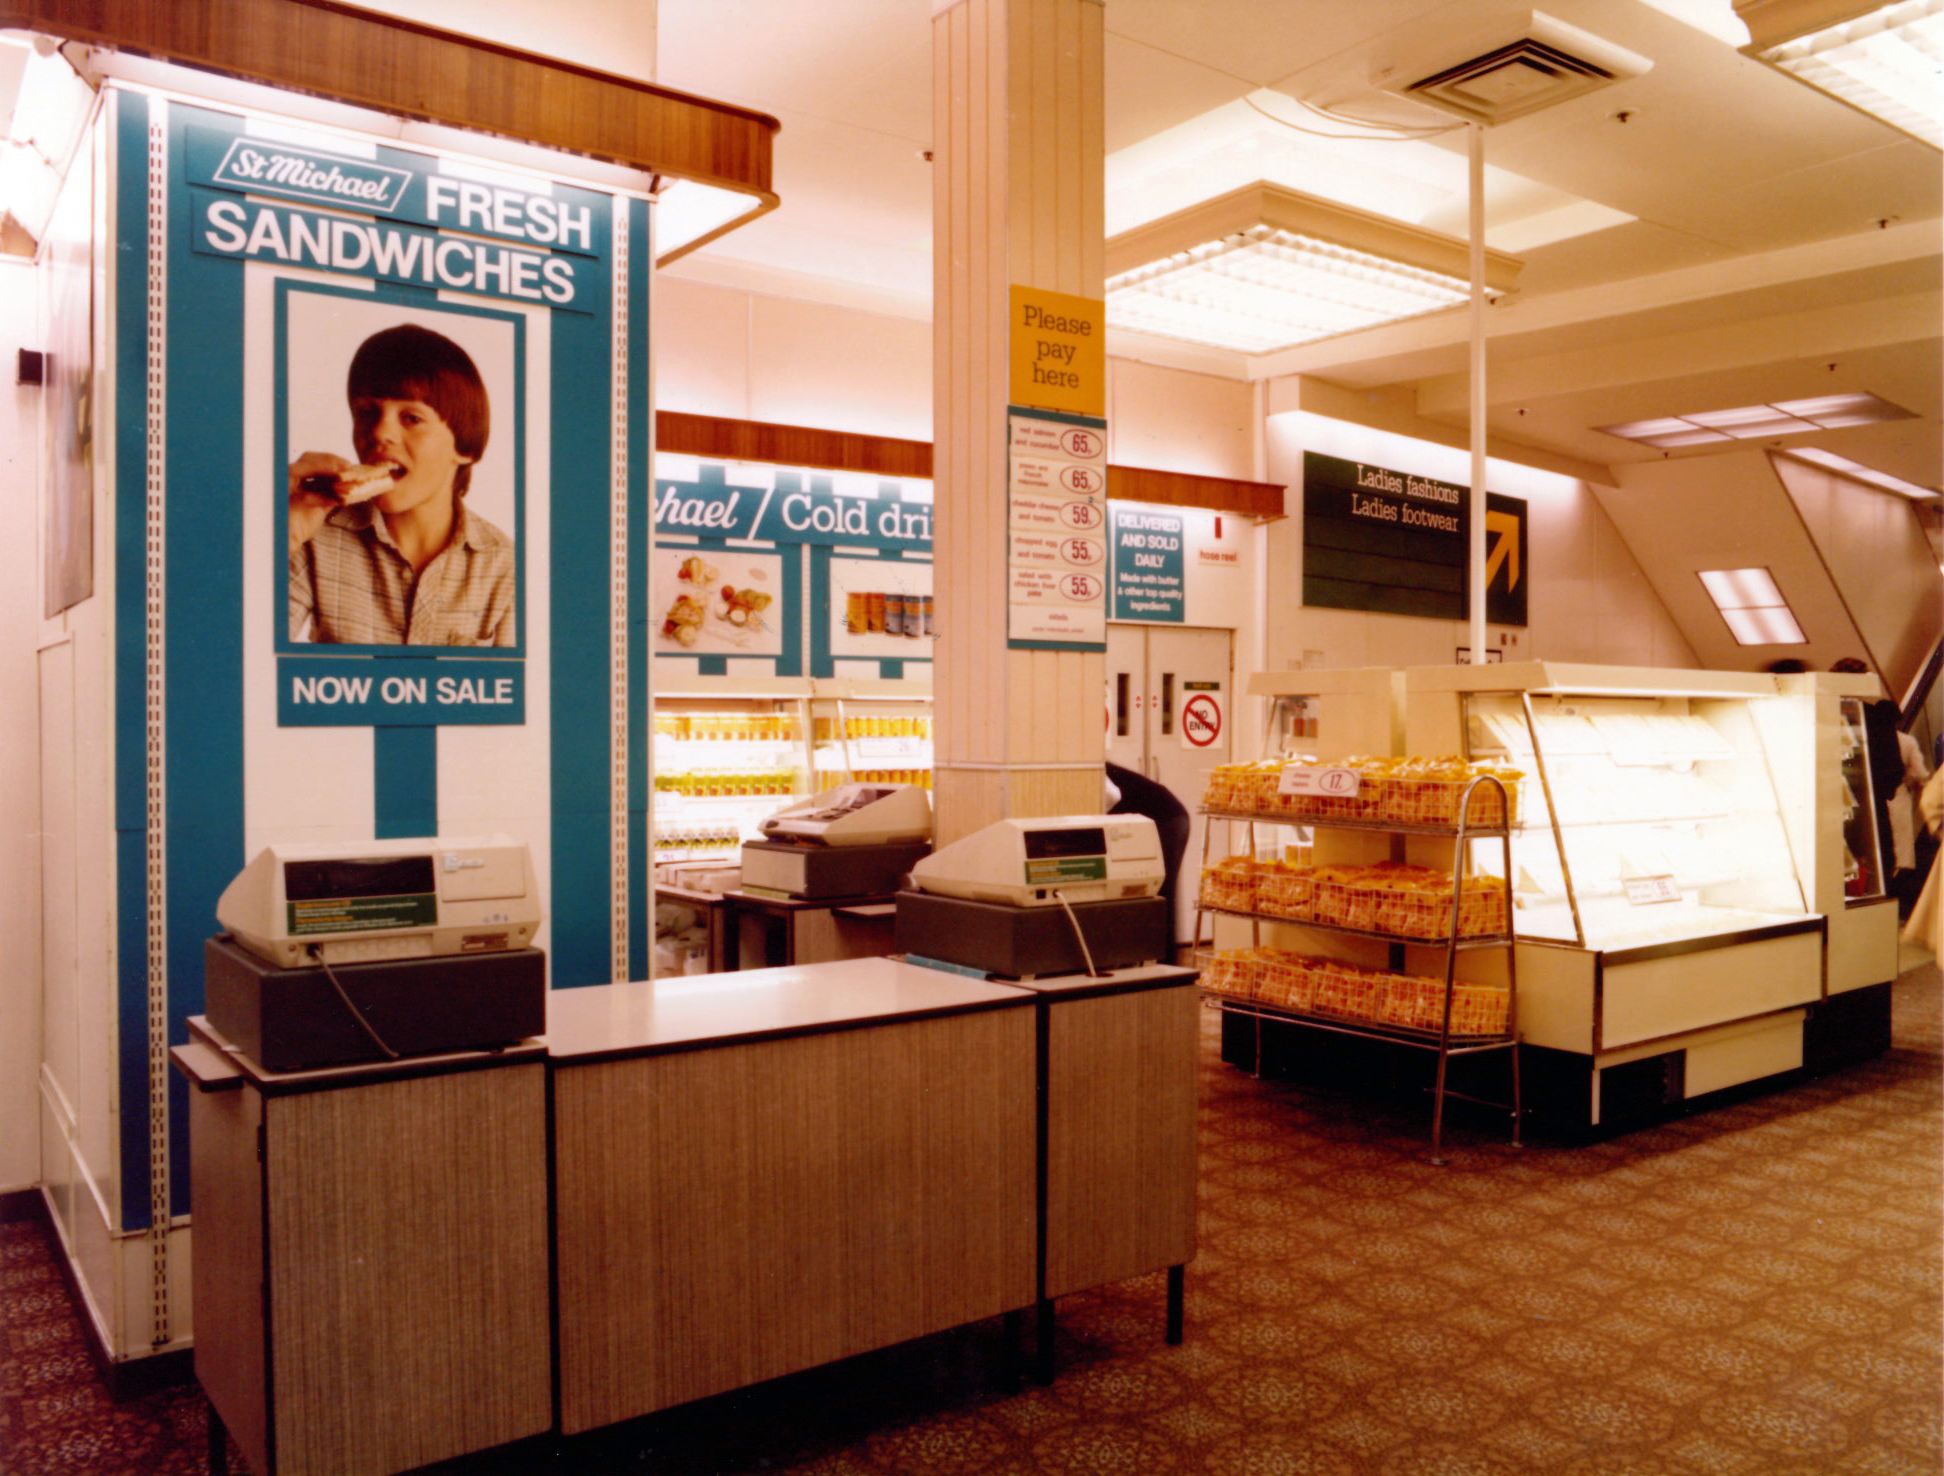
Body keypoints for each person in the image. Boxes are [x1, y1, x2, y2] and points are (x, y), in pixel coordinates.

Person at [288, 323, 515, 646]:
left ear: (464, 447)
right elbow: (236, 661)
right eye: (367, 412)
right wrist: (288, 533)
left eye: (411, 418)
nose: (380, 433)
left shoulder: (505, 568)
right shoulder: (315, 537)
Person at [1105, 760, 1190, 950]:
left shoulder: (1093, 768)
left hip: (1167, 819)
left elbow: (1110, 797)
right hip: (1152, 820)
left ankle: (1164, 964)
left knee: (1160, 896)